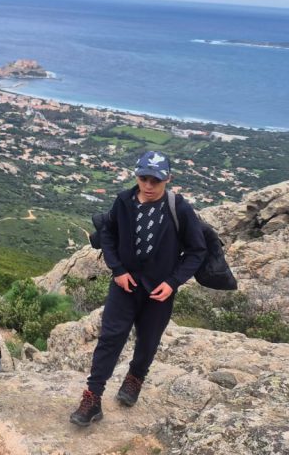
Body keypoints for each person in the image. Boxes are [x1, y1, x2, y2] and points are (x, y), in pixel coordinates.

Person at [70, 151, 206, 427]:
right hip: (125, 285)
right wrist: (118, 270)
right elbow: (108, 235)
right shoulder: (124, 201)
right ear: (137, 176)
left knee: (148, 339)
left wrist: (173, 282)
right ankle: (92, 398)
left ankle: (135, 378)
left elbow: (197, 251)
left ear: (168, 179)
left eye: (156, 180)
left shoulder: (179, 208)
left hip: (159, 290)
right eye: (144, 179)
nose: (149, 185)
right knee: (110, 338)